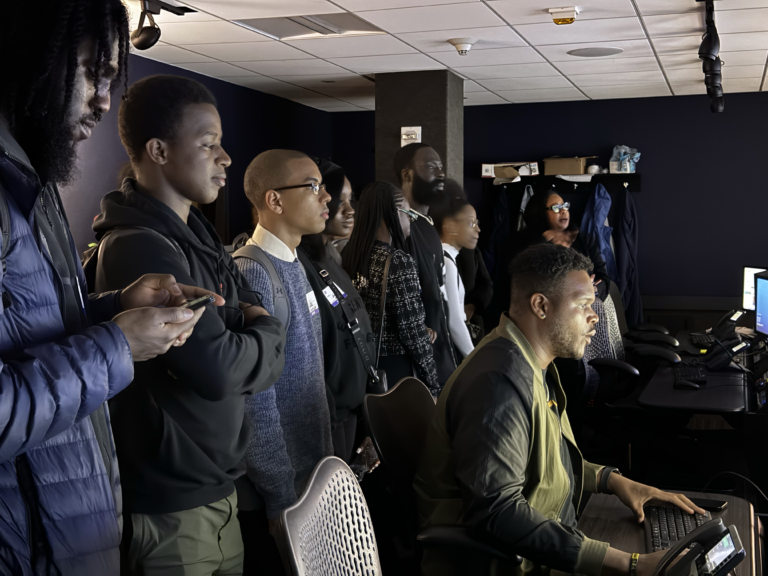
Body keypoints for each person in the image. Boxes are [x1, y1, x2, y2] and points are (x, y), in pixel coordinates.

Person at [0, 2, 212, 573]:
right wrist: (117, 345)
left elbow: (28, 330)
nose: (102, 99)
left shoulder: (30, 184)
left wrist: (116, 307)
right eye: (92, 72)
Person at [90, 75, 287, 575]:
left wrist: (251, 326)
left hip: (217, 492)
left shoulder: (194, 233)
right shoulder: (137, 244)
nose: (225, 158)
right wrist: (265, 330)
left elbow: (242, 308)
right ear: (158, 150)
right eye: (209, 144)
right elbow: (218, 369)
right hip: (170, 508)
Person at [413, 244, 705, 576]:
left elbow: (546, 458)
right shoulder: (497, 385)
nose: (594, 317)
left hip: (549, 536)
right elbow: (497, 512)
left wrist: (615, 481)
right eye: (582, 306)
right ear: (540, 306)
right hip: (506, 563)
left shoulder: (532, 361)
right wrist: (629, 563)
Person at [236, 149, 334, 575]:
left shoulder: (294, 260)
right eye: (314, 186)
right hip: (282, 490)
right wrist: (279, 491)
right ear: (274, 200)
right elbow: (257, 397)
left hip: (309, 475)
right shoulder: (254, 271)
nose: (326, 196)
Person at [298, 159, 375, 463]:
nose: (349, 209)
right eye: (337, 199)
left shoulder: (333, 258)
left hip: (354, 410)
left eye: (349, 199)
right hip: (331, 418)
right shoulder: (300, 266)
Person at [342, 181, 439, 396]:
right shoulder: (397, 261)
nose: (411, 220)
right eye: (407, 212)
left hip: (363, 366)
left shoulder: (348, 256)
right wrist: (433, 384)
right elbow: (412, 333)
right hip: (398, 373)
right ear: (392, 214)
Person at [393, 143, 456, 388]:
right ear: (407, 175)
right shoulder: (401, 229)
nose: (440, 173)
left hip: (441, 354)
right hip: (419, 365)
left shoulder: (427, 224)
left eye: (441, 167)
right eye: (431, 167)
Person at [522, 188, 610, 300]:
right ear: (540, 213)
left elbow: (604, 279)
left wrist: (594, 290)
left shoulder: (583, 239)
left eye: (564, 206)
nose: (563, 210)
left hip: (585, 307)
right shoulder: (528, 244)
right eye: (556, 208)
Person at [443, 179, 493, 342]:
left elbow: (486, 283)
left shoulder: (470, 246)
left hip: (472, 326)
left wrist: (471, 306)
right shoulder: (435, 251)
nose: (477, 229)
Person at [432, 193, 480, 361]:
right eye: (471, 222)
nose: (477, 229)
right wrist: (474, 359)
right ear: (450, 226)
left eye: (477, 223)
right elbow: (453, 320)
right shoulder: (445, 261)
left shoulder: (445, 258)